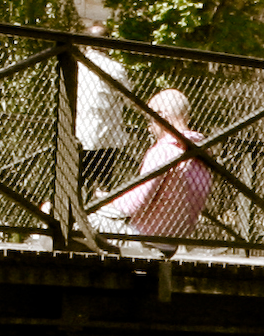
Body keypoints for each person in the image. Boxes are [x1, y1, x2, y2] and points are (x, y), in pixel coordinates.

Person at [95, 89, 214, 245]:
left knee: (73, 220)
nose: (149, 127)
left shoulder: (163, 151)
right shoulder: (202, 155)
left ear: (162, 116)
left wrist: (106, 200)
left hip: (143, 239)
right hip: (172, 243)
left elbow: (133, 205)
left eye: (150, 119)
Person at [74, 30, 130, 209]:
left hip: (77, 135)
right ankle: (95, 223)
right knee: (102, 187)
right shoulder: (115, 68)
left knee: (73, 182)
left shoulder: (76, 65)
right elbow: (129, 99)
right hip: (105, 137)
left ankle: (68, 221)